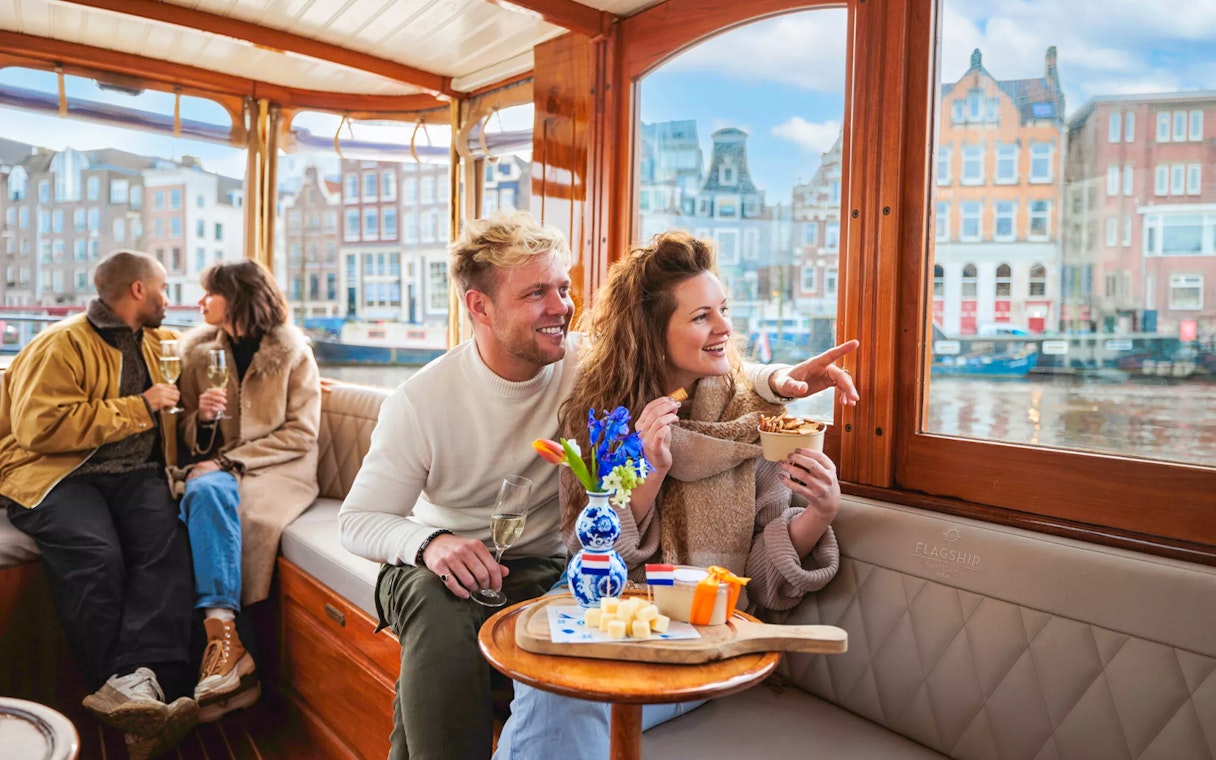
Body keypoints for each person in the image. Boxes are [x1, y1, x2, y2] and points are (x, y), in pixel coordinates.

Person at [339, 211, 858, 760]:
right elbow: (358, 521)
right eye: (537, 293)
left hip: (544, 567)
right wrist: (430, 542)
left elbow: (708, 356)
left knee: (552, 664)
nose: (561, 308)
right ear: (479, 307)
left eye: (563, 288)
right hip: (445, 565)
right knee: (437, 610)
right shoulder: (421, 403)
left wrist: (778, 381)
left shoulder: (581, 359)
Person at [494, 230, 847, 759]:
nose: (725, 327)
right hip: (598, 606)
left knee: (565, 702)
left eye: (723, 309)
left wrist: (820, 512)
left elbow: (759, 583)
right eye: (702, 316)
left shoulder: (752, 423)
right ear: (652, 333)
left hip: (694, 634)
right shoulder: (600, 414)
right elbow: (586, 550)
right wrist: (649, 472)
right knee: (554, 690)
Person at [0, 250, 198, 759]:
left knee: (165, 542)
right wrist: (140, 407)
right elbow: (37, 429)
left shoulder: (162, 342)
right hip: (57, 474)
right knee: (95, 551)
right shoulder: (60, 345)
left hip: (134, 476)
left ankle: (143, 682)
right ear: (137, 290)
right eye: (162, 289)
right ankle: (116, 685)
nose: (168, 299)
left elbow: (213, 356)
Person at [176, 260, 321, 722]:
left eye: (209, 294)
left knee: (229, 509)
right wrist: (199, 418)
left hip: (279, 468)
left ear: (236, 298)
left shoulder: (293, 352)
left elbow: (301, 433)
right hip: (220, 470)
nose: (200, 303)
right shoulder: (198, 353)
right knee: (203, 496)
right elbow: (180, 435)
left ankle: (232, 656)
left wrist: (225, 460)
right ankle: (229, 646)